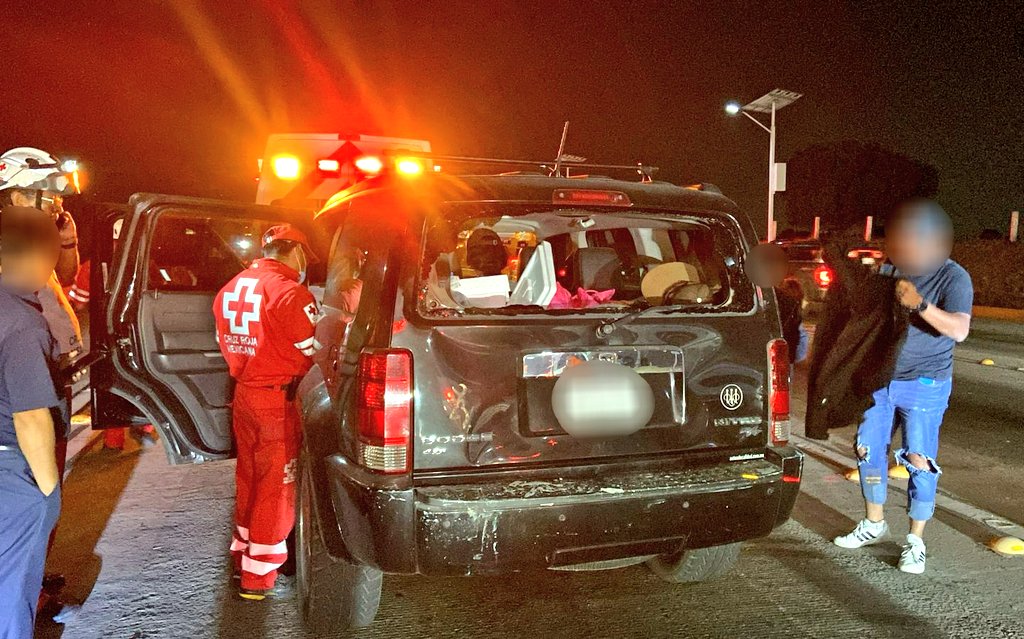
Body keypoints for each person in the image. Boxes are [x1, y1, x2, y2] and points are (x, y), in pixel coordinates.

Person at [833, 198, 972, 575]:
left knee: (919, 459)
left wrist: (920, 304)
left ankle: (916, 540)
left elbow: (960, 330)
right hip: (881, 380)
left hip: (924, 384)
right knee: (867, 448)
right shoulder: (889, 273)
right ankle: (874, 522)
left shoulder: (953, 276)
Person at [213, 224, 320, 600]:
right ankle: (258, 578)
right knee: (278, 487)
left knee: (249, 479)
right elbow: (315, 350)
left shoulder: (231, 287)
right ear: (297, 252)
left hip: (245, 395)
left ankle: (243, 555)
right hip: (278, 400)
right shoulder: (290, 293)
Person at [0, 147, 82, 616]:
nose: (52, 201)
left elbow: (64, 278)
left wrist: (65, 240)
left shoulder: (39, 233)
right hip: (23, 374)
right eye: (43, 192)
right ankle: (21, 586)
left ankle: (31, 577)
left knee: (40, 480)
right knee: (36, 490)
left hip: (45, 371)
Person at [0, 206, 63, 637]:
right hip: (10, 473)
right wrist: (48, 491)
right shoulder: (23, 323)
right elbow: (31, 417)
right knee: (11, 586)